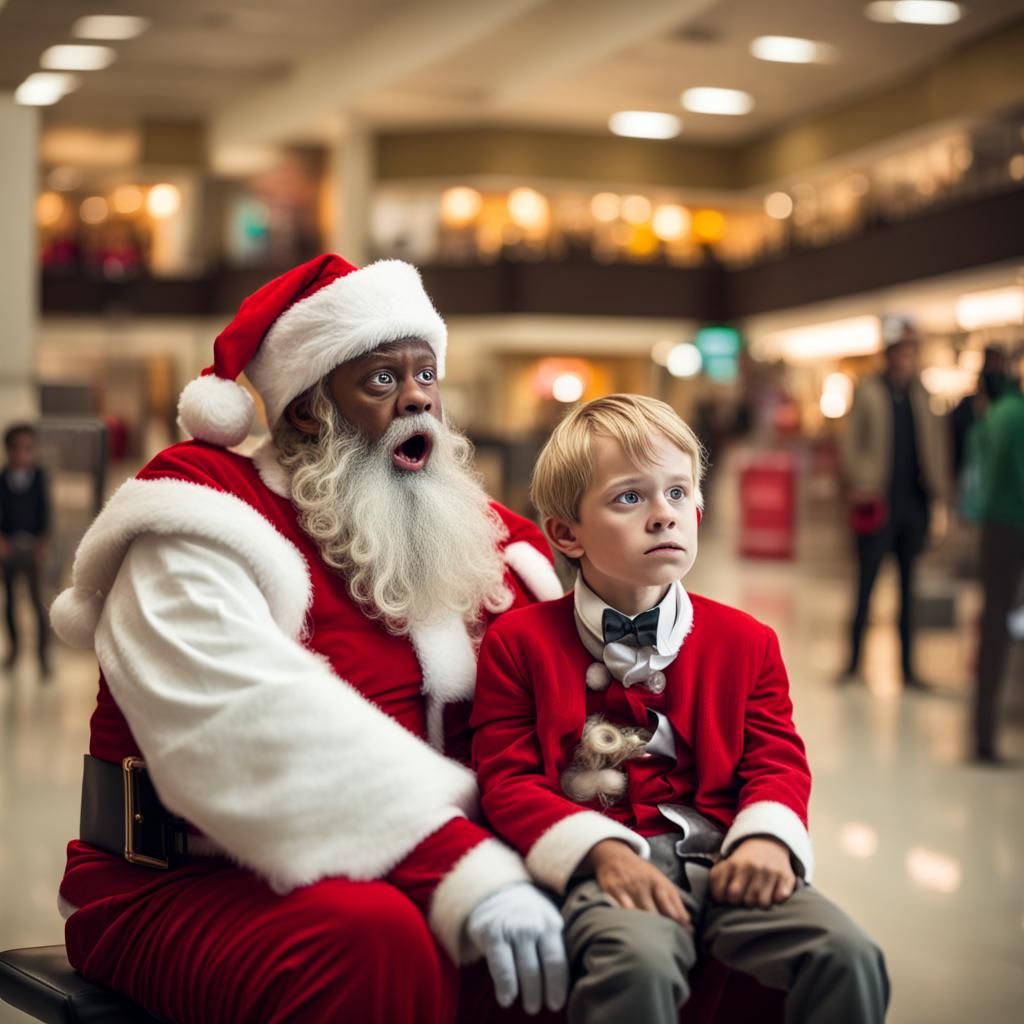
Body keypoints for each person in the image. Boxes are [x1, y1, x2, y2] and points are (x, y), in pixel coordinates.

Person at [49, 254, 570, 1024]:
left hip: (448, 859)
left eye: (426, 374)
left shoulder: (494, 543)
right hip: (191, 876)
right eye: (381, 380)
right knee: (373, 939)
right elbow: (238, 721)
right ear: (306, 411)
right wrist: (462, 866)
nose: (417, 399)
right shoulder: (202, 515)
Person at [472, 394, 889, 1024]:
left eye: (677, 492)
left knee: (848, 955)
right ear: (566, 534)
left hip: (728, 862)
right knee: (636, 966)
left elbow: (776, 760)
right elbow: (508, 780)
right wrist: (601, 853)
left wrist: (767, 840)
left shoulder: (747, 641)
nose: (664, 515)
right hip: (608, 862)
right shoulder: (519, 642)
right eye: (629, 497)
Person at [839, 323, 948, 689]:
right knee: (866, 584)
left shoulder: (922, 395)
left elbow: (935, 444)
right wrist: (859, 481)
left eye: (911, 353)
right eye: (901, 352)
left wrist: (939, 489)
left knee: (908, 588)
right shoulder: (869, 391)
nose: (906, 359)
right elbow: (851, 442)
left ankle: (908, 669)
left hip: (914, 504)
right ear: (889, 356)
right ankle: (853, 663)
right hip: (877, 503)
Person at [971, 347, 1024, 763]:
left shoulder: (999, 413)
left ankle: (984, 729)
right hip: (1011, 527)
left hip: (997, 527)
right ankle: (985, 733)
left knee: (995, 626)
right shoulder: (1014, 416)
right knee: (999, 627)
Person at [1, 423, 52, 677]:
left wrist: (43, 542)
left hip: (33, 547)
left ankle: (43, 655)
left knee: (37, 602)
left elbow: (46, 512)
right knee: (10, 602)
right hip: (9, 548)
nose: (24, 454)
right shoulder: (3, 478)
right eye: (18, 449)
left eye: (28, 449)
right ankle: (14, 650)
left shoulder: (39, 477)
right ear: (9, 451)